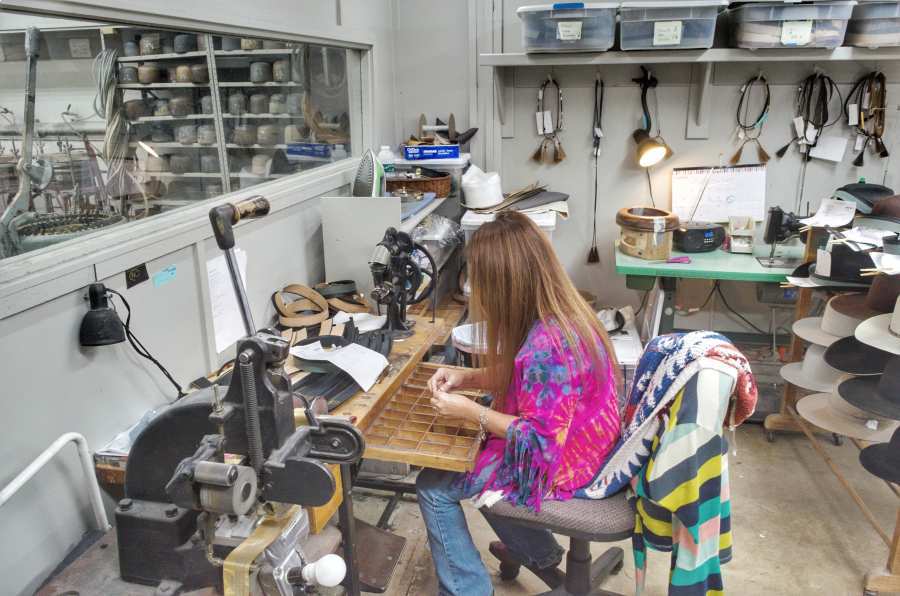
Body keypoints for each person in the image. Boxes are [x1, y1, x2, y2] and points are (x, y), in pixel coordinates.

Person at [416, 211, 622, 596]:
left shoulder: (550, 346)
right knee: (475, 452)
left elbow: (540, 441)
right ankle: (538, 552)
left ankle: (468, 590)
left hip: (570, 463)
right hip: (595, 443)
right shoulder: (564, 311)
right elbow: (528, 379)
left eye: (480, 278)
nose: (475, 288)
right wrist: (470, 377)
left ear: (506, 283)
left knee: (434, 485)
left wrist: (471, 410)